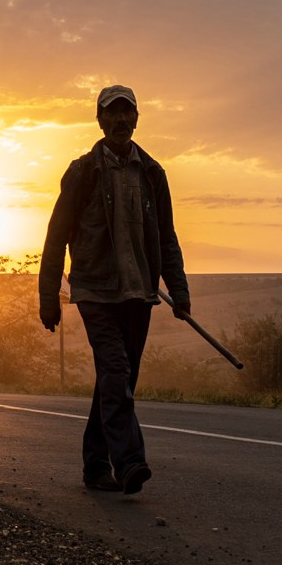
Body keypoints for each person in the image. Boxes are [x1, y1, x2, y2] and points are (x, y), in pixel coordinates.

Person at [37, 85, 191, 495]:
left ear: (137, 118)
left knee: (117, 380)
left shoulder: (153, 173)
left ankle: (94, 466)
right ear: (100, 120)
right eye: (113, 113)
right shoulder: (83, 172)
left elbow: (167, 237)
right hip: (94, 291)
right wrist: (49, 297)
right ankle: (129, 462)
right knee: (116, 372)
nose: (121, 120)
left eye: (128, 113)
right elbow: (56, 237)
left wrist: (179, 290)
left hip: (139, 294)